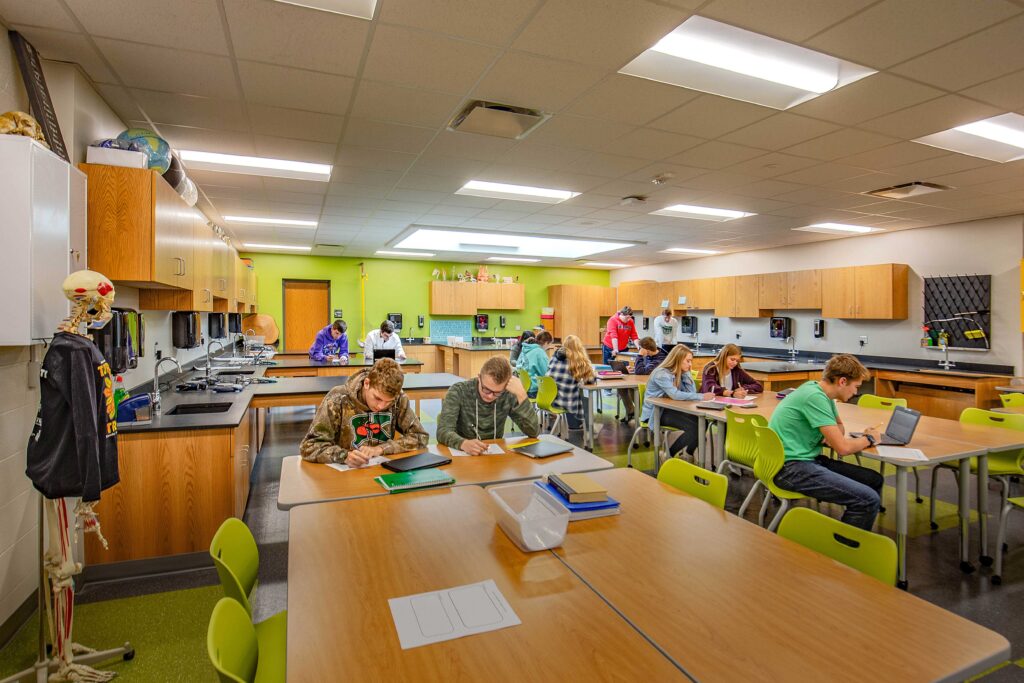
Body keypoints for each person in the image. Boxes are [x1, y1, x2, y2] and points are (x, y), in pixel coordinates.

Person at [768, 354, 884, 531]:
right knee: (868, 500)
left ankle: (857, 532)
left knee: (873, 480)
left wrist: (834, 436)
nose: (856, 393)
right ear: (843, 381)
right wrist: (869, 439)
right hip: (789, 468)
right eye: (856, 387)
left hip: (798, 460)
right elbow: (843, 448)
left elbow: (839, 428)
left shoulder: (820, 393)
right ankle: (842, 551)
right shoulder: (815, 397)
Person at [299, 358, 428, 466]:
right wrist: (343, 456)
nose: (381, 406)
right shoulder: (337, 399)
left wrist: (382, 449)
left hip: (381, 471)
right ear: (367, 383)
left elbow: (420, 436)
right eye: (377, 398)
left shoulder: (399, 399)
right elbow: (309, 446)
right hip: (344, 477)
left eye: (389, 402)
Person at [437, 356, 539, 454]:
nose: (490, 396)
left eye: (497, 393)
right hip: (463, 454)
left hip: (494, 456)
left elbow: (533, 432)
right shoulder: (459, 391)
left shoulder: (507, 394)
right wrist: (463, 443)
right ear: (479, 377)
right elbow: (443, 431)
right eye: (486, 389)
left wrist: (522, 395)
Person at [639, 345, 714, 459]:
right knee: (694, 428)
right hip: (655, 413)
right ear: (678, 359)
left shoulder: (679, 372)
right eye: (688, 361)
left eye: (691, 361)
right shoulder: (661, 373)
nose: (690, 364)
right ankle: (668, 454)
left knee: (703, 422)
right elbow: (675, 395)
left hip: (669, 410)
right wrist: (702, 396)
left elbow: (691, 392)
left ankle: (688, 453)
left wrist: (687, 373)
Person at [546, 335, 596, 430]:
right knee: (585, 399)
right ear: (579, 346)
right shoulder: (578, 361)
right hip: (565, 401)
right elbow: (590, 380)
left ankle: (575, 423)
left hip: (549, 398)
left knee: (571, 390)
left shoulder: (554, 356)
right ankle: (587, 428)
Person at [619, 336, 666, 423]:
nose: (640, 350)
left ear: (647, 350)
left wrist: (640, 355)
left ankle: (643, 413)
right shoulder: (650, 355)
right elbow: (642, 370)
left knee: (632, 387)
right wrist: (633, 368)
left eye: (641, 349)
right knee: (622, 387)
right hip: (645, 381)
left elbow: (640, 371)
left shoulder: (659, 359)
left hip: (654, 387)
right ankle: (631, 411)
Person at [515, 330, 553, 398]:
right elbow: (546, 373)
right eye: (549, 345)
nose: (548, 348)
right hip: (532, 390)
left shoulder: (525, 349)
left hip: (522, 386)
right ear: (546, 343)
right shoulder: (540, 352)